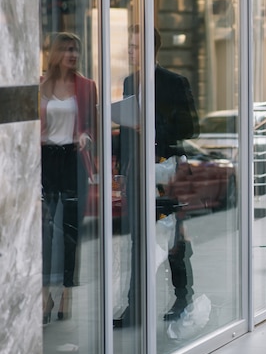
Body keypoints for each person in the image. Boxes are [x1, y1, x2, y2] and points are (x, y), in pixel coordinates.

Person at [116, 25, 199, 326]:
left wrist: (150, 127)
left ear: (152, 49)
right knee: (139, 240)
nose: (130, 50)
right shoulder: (129, 82)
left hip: (166, 171)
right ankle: (134, 306)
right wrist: (121, 167)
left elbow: (190, 128)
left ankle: (182, 298)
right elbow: (127, 130)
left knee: (174, 240)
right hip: (138, 171)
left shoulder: (175, 82)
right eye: (130, 45)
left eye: (135, 45)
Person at [40, 32, 98, 324]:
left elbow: (93, 127)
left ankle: (66, 293)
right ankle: (45, 292)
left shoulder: (87, 87)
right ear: (56, 53)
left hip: (73, 159)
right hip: (46, 160)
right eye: (67, 49)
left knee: (71, 231)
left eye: (77, 49)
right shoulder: (40, 86)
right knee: (45, 231)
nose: (73, 54)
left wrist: (85, 135)